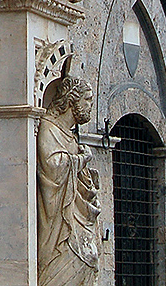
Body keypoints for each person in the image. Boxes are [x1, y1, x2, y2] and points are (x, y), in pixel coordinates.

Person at [37, 72, 101, 286]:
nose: (91, 104)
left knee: (89, 259)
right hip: (58, 222)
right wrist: (79, 160)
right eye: (88, 99)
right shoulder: (49, 126)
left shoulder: (69, 134)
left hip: (76, 213)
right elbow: (53, 168)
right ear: (73, 100)